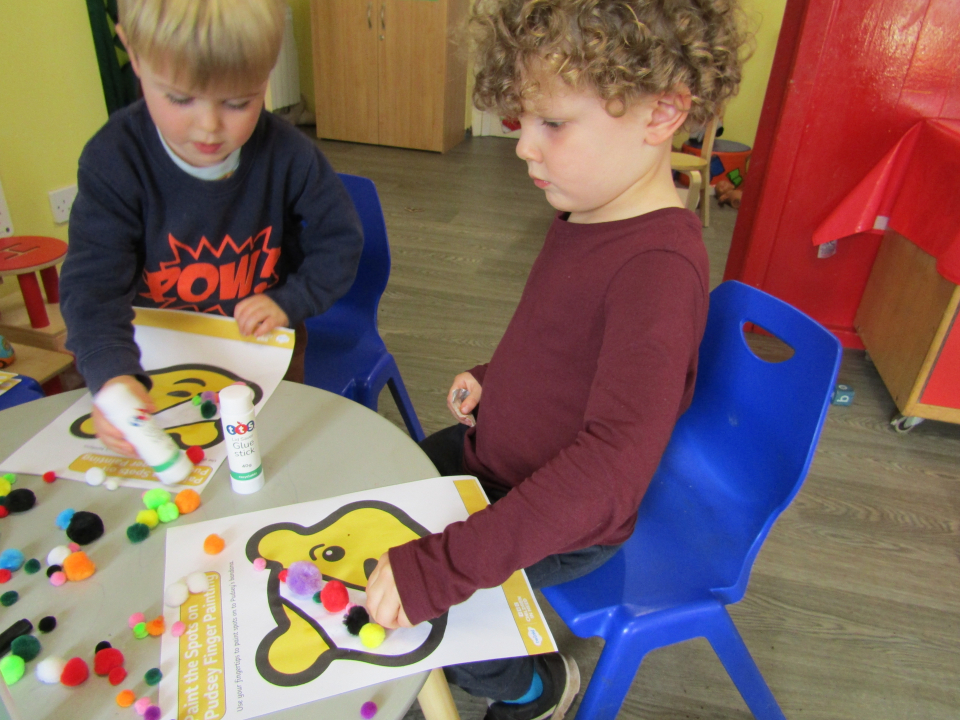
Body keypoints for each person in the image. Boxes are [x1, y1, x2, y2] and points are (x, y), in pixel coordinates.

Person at [365, 1, 748, 718]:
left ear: (662, 113)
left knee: (441, 625)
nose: (523, 148)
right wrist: (495, 379)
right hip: (496, 455)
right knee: (371, 504)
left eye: (553, 123)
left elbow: (609, 472)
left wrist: (446, 569)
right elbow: (559, 340)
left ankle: (536, 687)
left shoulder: (658, 273)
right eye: (523, 121)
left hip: (565, 518)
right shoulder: (585, 210)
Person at [60, 0, 362, 457]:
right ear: (134, 55)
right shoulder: (114, 160)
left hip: (265, 350)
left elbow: (340, 241)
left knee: (267, 460)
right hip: (157, 359)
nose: (209, 127)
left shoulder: (289, 154)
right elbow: (91, 288)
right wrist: (111, 374)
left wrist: (290, 301)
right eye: (180, 99)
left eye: (238, 103)